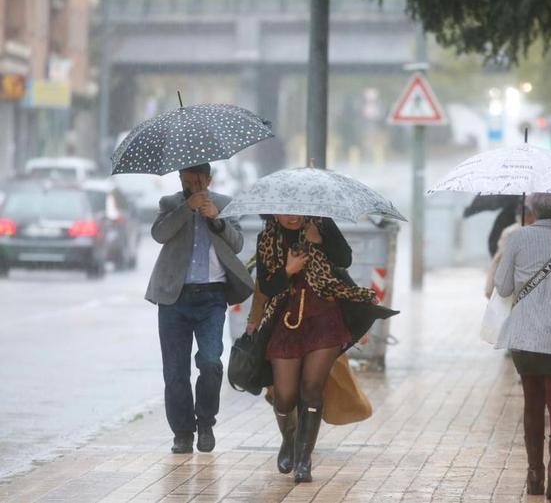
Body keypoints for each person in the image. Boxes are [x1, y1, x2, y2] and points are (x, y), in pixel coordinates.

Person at [254, 214, 394, 483]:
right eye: (285, 210)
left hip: (324, 319)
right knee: (284, 395)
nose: (292, 216)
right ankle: (290, 439)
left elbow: (344, 260)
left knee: (311, 389)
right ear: (273, 212)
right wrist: (289, 271)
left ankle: (304, 460)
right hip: (286, 322)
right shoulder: (268, 238)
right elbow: (268, 286)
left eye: (297, 210)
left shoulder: (322, 225)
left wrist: (320, 241)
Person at [145, 163, 253, 454]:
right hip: (174, 298)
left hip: (212, 297)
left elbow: (238, 243)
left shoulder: (224, 204)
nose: (194, 183)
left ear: (209, 178)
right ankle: (182, 433)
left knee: (210, 361)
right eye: (188, 178)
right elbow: (159, 234)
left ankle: (205, 423)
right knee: (175, 371)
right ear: (180, 178)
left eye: (199, 178)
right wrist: (186, 208)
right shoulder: (170, 203)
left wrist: (216, 219)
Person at [494, 193, 551, 500]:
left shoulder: (517, 238)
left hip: (526, 337)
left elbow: (503, 287)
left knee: (532, 403)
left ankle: (534, 474)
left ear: (533, 210)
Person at [484, 202, 536, 299]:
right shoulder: (512, 232)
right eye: (533, 214)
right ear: (527, 216)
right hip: (514, 284)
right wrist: (490, 287)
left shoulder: (514, 230)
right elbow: (500, 259)